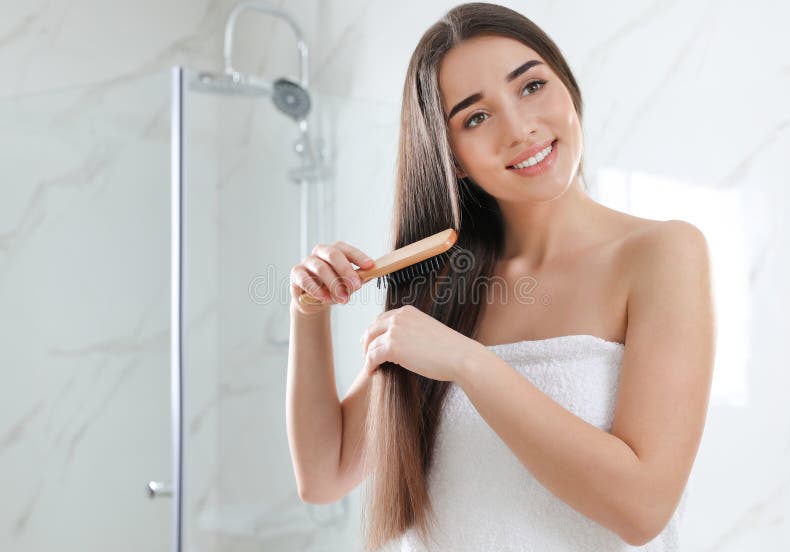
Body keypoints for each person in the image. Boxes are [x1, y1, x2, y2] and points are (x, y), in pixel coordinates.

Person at [286, 3, 715, 551]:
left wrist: (468, 362)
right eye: (475, 117)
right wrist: (308, 311)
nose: (520, 128)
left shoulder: (662, 253)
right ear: (453, 158)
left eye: (532, 86)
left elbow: (643, 508)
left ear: (567, 87)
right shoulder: (446, 282)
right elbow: (326, 475)